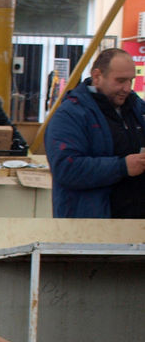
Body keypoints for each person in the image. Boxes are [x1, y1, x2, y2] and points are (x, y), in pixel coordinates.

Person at [45, 48, 145, 218]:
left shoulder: (137, 109)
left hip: (136, 227)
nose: (127, 88)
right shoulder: (70, 115)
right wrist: (122, 167)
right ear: (97, 76)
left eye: (131, 80)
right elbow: (66, 168)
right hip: (91, 228)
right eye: (120, 81)